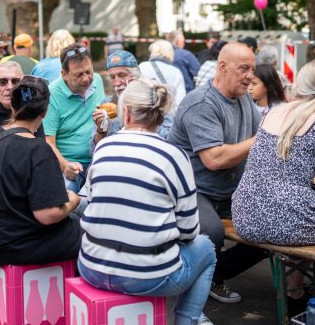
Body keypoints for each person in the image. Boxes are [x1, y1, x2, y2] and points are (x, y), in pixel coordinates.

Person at [80, 77, 216, 325]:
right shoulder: (174, 156)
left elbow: (91, 202)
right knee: (206, 248)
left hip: (91, 265)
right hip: (148, 276)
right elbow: (189, 231)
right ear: (161, 117)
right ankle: (186, 321)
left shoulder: (103, 147)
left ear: (126, 113)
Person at [232, 61, 315, 310]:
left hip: (245, 215)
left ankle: (295, 288)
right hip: (285, 221)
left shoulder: (274, 111)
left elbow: (296, 147)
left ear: (299, 85)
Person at [167, 43, 266, 303]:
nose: (250, 76)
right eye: (243, 68)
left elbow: (259, 143)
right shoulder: (200, 103)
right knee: (211, 231)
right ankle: (192, 288)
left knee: (273, 224)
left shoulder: (244, 98)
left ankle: (214, 273)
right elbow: (215, 159)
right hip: (192, 190)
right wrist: (263, 138)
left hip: (230, 191)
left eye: (252, 70)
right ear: (222, 67)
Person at [0, 75, 82, 272]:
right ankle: (71, 297)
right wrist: (73, 200)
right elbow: (48, 214)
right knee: (79, 227)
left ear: (13, 107)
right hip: (17, 246)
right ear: (44, 111)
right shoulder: (39, 150)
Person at [44, 43, 106, 193]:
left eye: (88, 71)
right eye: (79, 74)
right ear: (64, 74)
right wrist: (65, 166)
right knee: (64, 198)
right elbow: (48, 142)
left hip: (99, 160)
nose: (86, 79)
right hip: (70, 164)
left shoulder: (97, 80)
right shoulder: (52, 95)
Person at [90, 51, 174, 154]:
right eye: (112, 77)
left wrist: (141, 114)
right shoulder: (106, 104)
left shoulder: (154, 98)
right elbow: (92, 151)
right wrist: (101, 132)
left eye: (122, 75)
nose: (117, 83)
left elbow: (170, 139)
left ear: (136, 76)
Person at [139, 40, 186, 112]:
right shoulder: (176, 71)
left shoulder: (143, 66)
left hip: (146, 114)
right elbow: (180, 99)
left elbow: (136, 92)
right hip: (169, 115)